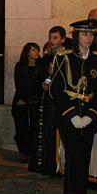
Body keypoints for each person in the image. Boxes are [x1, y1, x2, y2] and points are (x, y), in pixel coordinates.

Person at [49, 19, 97, 194]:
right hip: (69, 118)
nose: (88, 38)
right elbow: (57, 89)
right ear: (76, 36)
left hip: (88, 117)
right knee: (73, 161)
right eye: (84, 34)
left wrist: (91, 115)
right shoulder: (63, 58)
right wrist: (72, 115)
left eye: (91, 35)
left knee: (84, 162)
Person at [30, 26, 67, 176]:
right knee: (43, 132)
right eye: (50, 37)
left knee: (55, 133)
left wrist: (55, 75)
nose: (51, 41)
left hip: (59, 102)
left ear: (63, 39)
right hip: (45, 101)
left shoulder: (67, 58)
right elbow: (37, 76)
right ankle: (43, 164)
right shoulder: (46, 58)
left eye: (55, 38)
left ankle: (56, 166)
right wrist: (42, 85)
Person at [11, 42, 42, 164]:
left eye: (37, 50)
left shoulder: (40, 66)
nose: (36, 52)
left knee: (35, 128)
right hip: (22, 99)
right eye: (34, 50)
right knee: (22, 127)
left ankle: (33, 152)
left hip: (36, 99)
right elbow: (19, 85)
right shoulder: (20, 67)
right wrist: (23, 99)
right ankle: (23, 152)